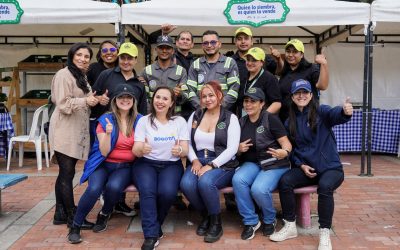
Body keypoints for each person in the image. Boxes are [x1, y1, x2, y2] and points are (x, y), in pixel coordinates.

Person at [269, 79, 353, 250]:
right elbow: (292, 150)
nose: (302, 96)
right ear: (292, 96)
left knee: (325, 186)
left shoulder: (321, 111)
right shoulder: (289, 121)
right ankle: (290, 225)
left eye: (305, 92)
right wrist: (300, 166)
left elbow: (335, 115)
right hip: (308, 169)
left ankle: (324, 231)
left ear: (311, 95)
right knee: (285, 181)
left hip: (331, 168)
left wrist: (345, 112)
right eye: (297, 93)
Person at [67, 84, 142, 244]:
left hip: (125, 166)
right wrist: (108, 134)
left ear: (133, 101)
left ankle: (105, 213)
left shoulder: (140, 120)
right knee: (93, 189)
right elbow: (104, 151)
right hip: (103, 163)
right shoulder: (105, 119)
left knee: (114, 187)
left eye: (129, 97)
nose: (125, 100)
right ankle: (76, 226)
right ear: (115, 100)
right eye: (121, 97)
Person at [180, 81, 240, 243]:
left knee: (206, 183)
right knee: (186, 184)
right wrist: (194, 160)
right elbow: (188, 142)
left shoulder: (230, 118)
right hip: (198, 159)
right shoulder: (195, 115)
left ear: (220, 96)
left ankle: (216, 223)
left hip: (221, 162)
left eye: (211, 95)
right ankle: (206, 215)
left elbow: (232, 149)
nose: (208, 99)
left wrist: (212, 165)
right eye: (204, 96)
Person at [92, 42, 146, 217]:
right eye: (123, 57)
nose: (126, 61)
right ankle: (106, 194)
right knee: (104, 161)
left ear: (136, 60)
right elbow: (92, 97)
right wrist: (99, 100)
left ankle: (119, 202)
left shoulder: (139, 83)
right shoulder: (105, 75)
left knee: (124, 165)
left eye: (130, 58)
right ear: (118, 58)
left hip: (128, 129)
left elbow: (143, 111)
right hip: (106, 128)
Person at [132, 86, 189, 250]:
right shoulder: (144, 120)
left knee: (168, 193)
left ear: (171, 103)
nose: (160, 101)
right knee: (148, 192)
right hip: (145, 163)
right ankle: (150, 235)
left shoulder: (179, 122)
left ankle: (155, 226)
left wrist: (180, 151)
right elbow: (135, 150)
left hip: (171, 164)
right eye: (158, 97)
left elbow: (185, 149)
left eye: (165, 98)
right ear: (153, 99)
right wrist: (141, 149)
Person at [49, 43, 98, 229]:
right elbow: (63, 103)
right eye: (79, 55)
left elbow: (84, 100)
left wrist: (94, 100)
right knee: (67, 173)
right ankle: (72, 217)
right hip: (64, 128)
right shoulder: (64, 74)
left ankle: (59, 213)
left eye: (87, 56)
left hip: (75, 129)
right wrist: (86, 101)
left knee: (65, 173)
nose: (83, 59)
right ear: (71, 55)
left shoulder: (81, 76)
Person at [232, 87, 291, 240]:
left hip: (274, 163)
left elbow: (286, 144)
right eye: (246, 101)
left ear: (262, 104)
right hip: (252, 163)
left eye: (253, 101)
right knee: (238, 180)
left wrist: (284, 152)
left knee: (258, 189)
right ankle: (251, 221)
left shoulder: (270, 119)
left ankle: (269, 219)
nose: (248, 105)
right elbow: (234, 149)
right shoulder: (241, 121)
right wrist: (238, 149)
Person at [270, 39, 329, 122]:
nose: (290, 55)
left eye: (294, 52)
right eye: (288, 51)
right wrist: (279, 59)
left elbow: (322, 86)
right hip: (285, 120)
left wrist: (324, 64)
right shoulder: (285, 72)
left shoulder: (311, 68)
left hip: (306, 120)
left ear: (302, 55)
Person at [183, 30, 240, 112]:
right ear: (202, 46)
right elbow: (190, 91)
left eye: (213, 42)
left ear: (219, 44)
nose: (209, 45)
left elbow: (234, 90)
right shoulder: (195, 64)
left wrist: (218, 107)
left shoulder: (230, 62)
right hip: (201, 113)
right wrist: (202, 107)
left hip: (223, 113)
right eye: (206, 43)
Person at [139, 35, 188, 118]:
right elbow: (143, 98)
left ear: (172, 50)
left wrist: (180, 94)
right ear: (156, 50)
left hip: (174, 117)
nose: (164, 51)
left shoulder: (181, 71)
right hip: (153, 117)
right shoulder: (146, 71)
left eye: (168, 48)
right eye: (161, 48)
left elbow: (186, 97)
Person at [237, 47, 281, 117]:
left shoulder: (269, 78)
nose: (250, 63)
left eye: (254, 60)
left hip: (261, 123)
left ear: (262, 63)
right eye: (248, 60)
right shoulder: (243, 78)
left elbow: (277, 103)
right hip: (245, 120)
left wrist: (262, 118)